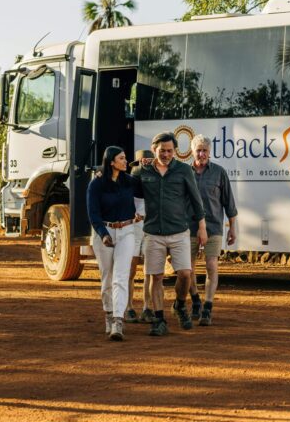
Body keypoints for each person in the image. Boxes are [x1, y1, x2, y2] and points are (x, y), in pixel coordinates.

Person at [133, 131, 207, 336]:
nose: (166, 154)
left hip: (179, 232)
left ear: (175, 151)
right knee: (155, 276)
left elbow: (196, 201)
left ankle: (180, 305)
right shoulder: (142, 171)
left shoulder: (184, 170)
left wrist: (202, 227)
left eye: (169, 151)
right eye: (162, 150)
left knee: (185, 274)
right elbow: (125, 188)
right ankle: (158, 319)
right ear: (154, 149)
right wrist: (103, 173)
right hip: (153, 233)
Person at [87, 146, 141, 341]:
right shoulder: (96, 184)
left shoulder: (130, 181)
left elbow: (147, 190)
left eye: (125, 158)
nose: (125, 161)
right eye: (121, 158)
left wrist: (145, 166)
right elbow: (93, 213)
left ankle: (118, 320)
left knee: (121, 276)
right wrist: (102, 234)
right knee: (107, 277)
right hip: (105, 230)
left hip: (127, 231)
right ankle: (108, 313)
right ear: (111, 162)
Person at [186, 134, 237, 326]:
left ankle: (207, 306)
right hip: (188, 227)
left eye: (205, 150)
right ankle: (195, 300)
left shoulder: (219, 173)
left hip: (213, 226)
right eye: (198, 150)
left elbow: (229, 203)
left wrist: (232, 228)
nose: (202, 154)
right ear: (192, 151)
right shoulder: (184, 172)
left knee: (211, 265)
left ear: (209, 152)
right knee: (188, 269)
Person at [125, 149, 155, 324]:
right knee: (131, 270)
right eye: (143, 162)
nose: (145, 166)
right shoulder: (130, 182)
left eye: (150, 162)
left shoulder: (156, 181)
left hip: (150, 228)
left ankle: (147, 307)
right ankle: (129, 307)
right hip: (133, 228)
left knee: (149, 271)